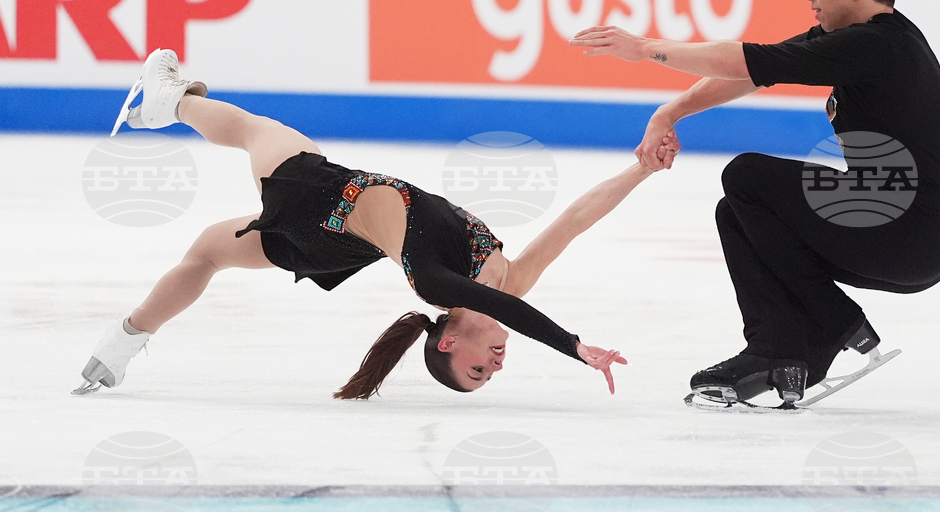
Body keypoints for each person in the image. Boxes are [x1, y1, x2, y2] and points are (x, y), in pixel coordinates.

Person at [73, 49, 660, 399]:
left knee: (254, 131)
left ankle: (169, 99)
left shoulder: (437, 284)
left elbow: (510, 314)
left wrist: (574, 347)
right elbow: (573, 222)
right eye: (489, 373)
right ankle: (118, 347)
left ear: (448, 341)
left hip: (320, 202)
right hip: (336, 244)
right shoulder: (511, 282)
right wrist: (640, 171)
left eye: (476, 368)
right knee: (206, 253)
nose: (496, 364)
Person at [570, 0, 940, 407]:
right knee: (736, 212)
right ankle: (786, 354)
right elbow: (756, 72)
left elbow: (744, 60)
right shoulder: (861, 40)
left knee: (748, 177)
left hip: (909, 235)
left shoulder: (876, 46)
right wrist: (669, 112)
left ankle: (834, 322)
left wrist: (645, 48)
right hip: (894, 230)